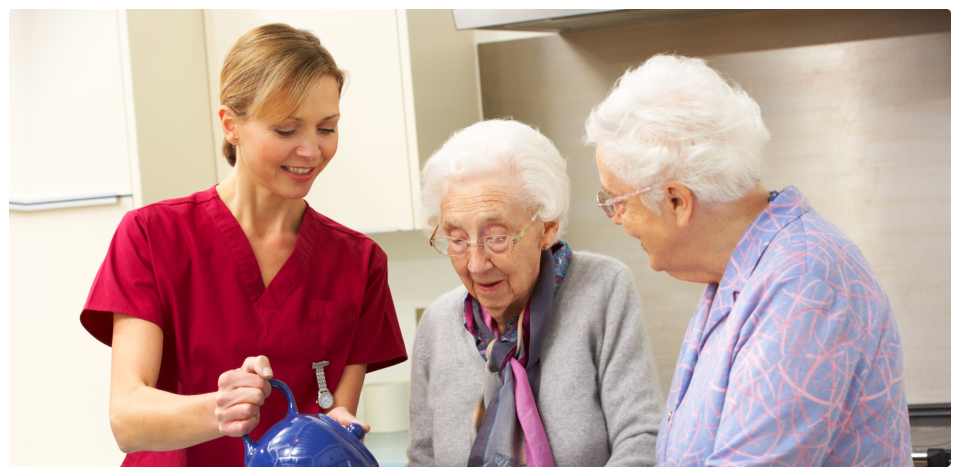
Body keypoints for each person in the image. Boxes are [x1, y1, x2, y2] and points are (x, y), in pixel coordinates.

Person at [79, 24, 406, 466]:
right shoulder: (151, 236)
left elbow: (330, 421)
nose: (311, 150)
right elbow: (128, 418)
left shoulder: (359, 262)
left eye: (326, 128)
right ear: (231, 125)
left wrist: (340, 429)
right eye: (287, 130)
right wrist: (220, 408)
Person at [585, 54, 912, 466]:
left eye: (616, 201)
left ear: (676, 200)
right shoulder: (738, 273)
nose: (616, 220)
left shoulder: (805, 282)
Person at [406, 119, 662, 467]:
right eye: (457, 240)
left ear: (547, 228)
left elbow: (640, 439)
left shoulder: (602, 288)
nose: (476, 263)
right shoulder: (438, 323)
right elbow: (422, 460)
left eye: (496, 237)